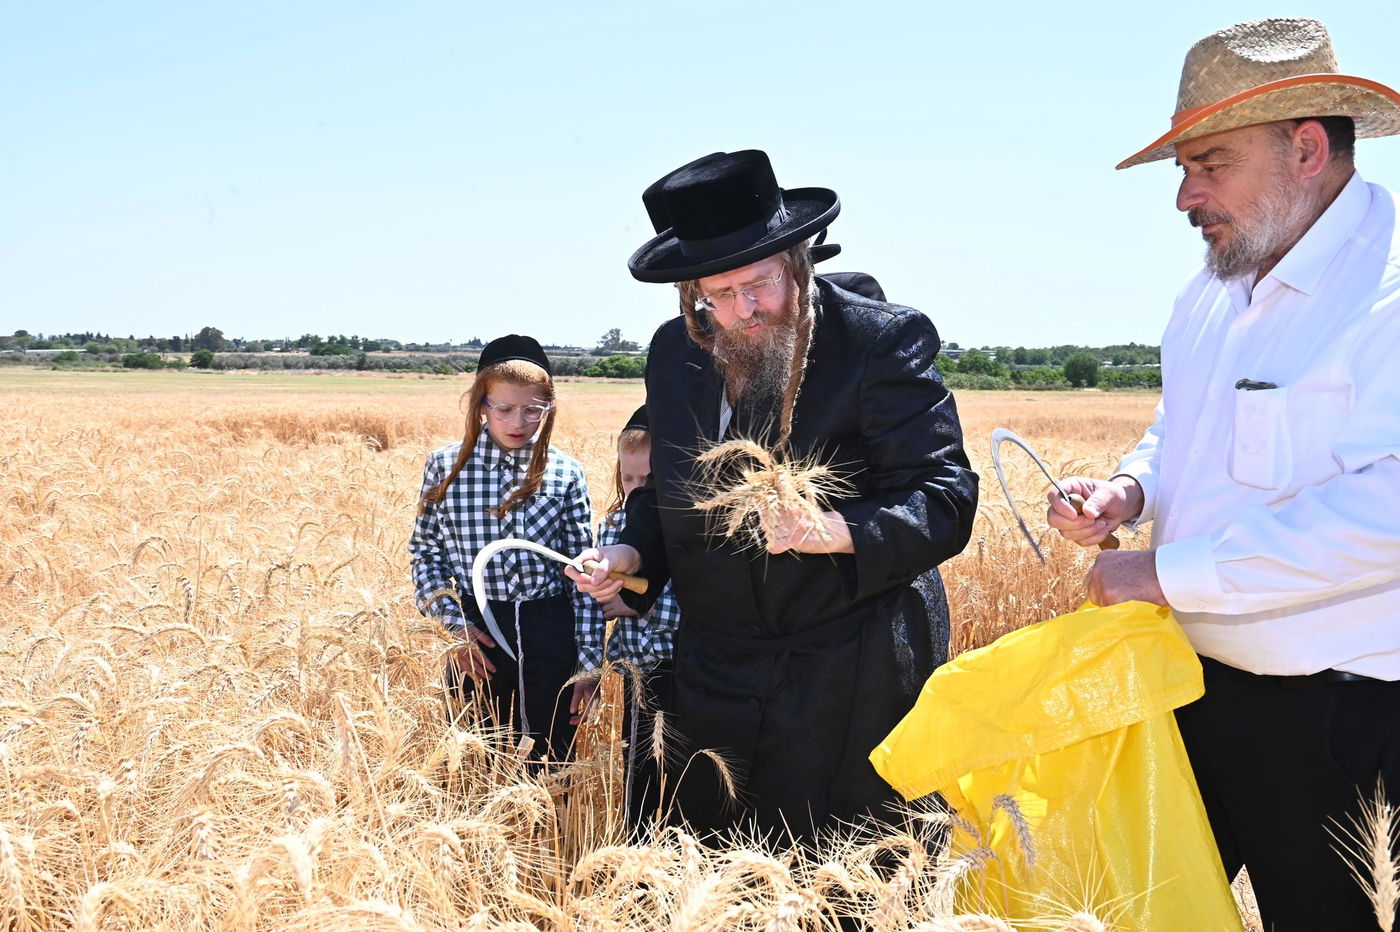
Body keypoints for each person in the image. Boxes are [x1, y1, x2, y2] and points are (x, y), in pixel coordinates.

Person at [1046, 18, 1400, 930]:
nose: (1185, 197)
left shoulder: (1390, 294)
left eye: (1211, 163)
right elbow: (1186, 427)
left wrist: (1163, 572)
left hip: (1343, 726)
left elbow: (1386, 511)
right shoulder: (1209, 289)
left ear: (1307, 149)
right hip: (1193, 691)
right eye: (1183, 169)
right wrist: (1130, 490)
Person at [569, 149, 978, 841]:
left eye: (758, 285)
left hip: (852, 670)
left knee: (851, 878)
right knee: (723, 870)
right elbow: (671, 494)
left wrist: (838, 530)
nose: (742, 311)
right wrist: (630, 552)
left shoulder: (878, 342)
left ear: (798, 260)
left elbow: (945, 498)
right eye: (716, 295)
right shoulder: (676, 353)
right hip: (715, 672)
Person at [409, 334, 602, 761]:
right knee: (475, 752)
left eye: (533, 409)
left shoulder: (566, 472)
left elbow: (583, 571)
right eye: (505, 409)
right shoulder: (445, 465)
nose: (518, 421)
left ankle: (548, 828)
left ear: (549, 408)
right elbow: (426, 553)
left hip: (550, 628)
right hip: (477, 629)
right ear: (482, 406)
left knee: (551, 753)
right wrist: (454, 627)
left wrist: (589, 664)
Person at [571, 405, 682, 826]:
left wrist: (644, 602)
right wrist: (591, 667)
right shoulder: (615, 523)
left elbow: (699, 596)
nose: (636, 490)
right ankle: (637, 841)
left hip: (682, 660)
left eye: (648, 481)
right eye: (627, 477)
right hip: (637, 667)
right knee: (638, 764)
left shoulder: (683, 528)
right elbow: (596, 600)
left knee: (682, 768)